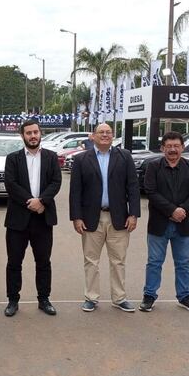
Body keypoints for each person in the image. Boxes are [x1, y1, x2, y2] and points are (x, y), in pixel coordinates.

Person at [69, 123, 141, 313]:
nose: (105, 135)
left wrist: (133, 214)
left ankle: (119, 298)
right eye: (101, 132)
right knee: (91, 260)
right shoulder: (81, 159)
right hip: (91, 218)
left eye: (108, 132)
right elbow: (75, 192)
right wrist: (76, 217)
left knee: (118, 260)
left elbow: (133, 187)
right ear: (93, 136)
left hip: (119, 218)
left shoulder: (124, 157)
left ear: (112, 136)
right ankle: (91, 298)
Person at [3, 119, 62, 317]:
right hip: (18, 219)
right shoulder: (13, 158)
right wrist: (31, 201)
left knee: (43, 262)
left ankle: (44, 299)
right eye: (28, 133)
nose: (33, 136)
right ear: (22, 136)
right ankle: (13, 300)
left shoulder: (52, 157)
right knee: (14, 262)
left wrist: (42, 201)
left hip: (43, 218)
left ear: (40, 134)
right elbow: (10, 184)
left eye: (35, 132)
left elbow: (56, 182)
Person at [140, 131, 189, 312]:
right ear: (162, 148)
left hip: (183, 223)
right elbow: (151, 192)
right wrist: (172, 210)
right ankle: (149, 295)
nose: (173, 150)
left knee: (183, 263)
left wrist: (182, 210)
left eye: (176, 146)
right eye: (169, 146)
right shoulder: (153, 167)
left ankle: (184, 296)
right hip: (159, 224)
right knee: (154, 262)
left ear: (182, 147)